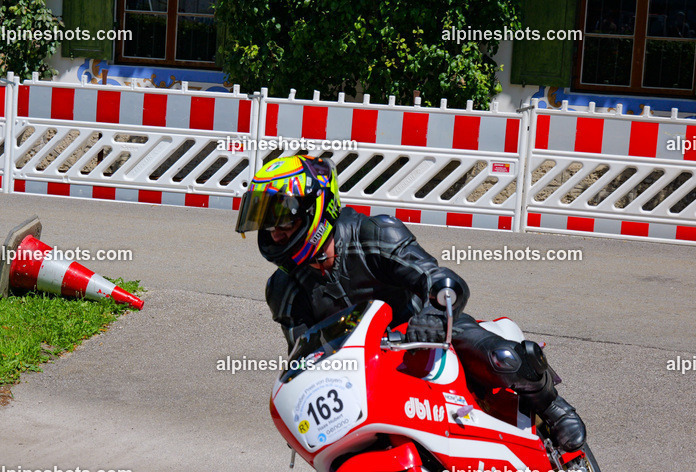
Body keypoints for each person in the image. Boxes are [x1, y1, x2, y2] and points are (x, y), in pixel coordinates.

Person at [234, 154, 586, 452]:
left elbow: (440, 279)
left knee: (504, 358)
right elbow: (302, 355)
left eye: (281, 217)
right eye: (265, 222)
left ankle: (553, 406)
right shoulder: (283, 287)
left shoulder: (374, 233)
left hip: (428, 333)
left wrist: (434, 312)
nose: (274, 232)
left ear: (316, 207)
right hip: (366, 367)